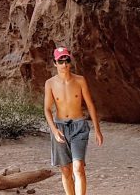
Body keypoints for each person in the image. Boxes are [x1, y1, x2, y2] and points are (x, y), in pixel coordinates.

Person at [43, 46, 104, 195]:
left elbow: (90, 104)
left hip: (79, 126)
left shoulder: (80, 80)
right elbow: (47, 109)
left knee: (78, 167)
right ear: (55, 63)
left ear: (70, 61)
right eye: (60, 61)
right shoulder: (50, 83)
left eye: (67, 60)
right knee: (65, 170)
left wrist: (97, 130)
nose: (64, 64)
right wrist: (54, 130)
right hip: (60, 128)